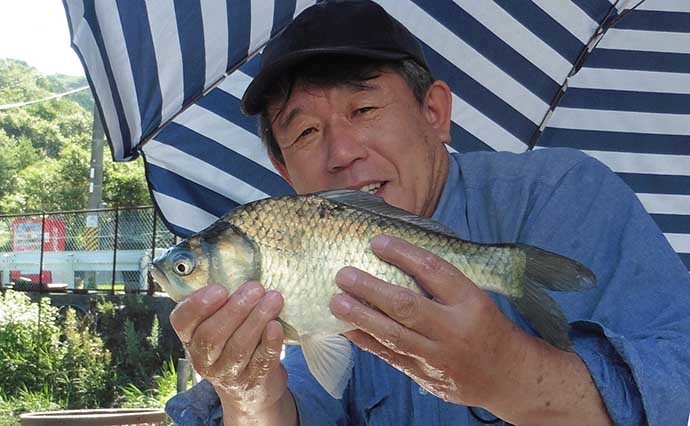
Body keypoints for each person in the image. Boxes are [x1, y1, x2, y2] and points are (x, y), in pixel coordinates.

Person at [164, 1, 690, 425]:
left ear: (434, 112)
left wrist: (511, 374)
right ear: (284, 172)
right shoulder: (307, 284)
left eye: (364, 109)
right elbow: (299, 403)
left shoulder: (561, 192)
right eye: (305, 132)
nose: (341, 151)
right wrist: (248, 399)